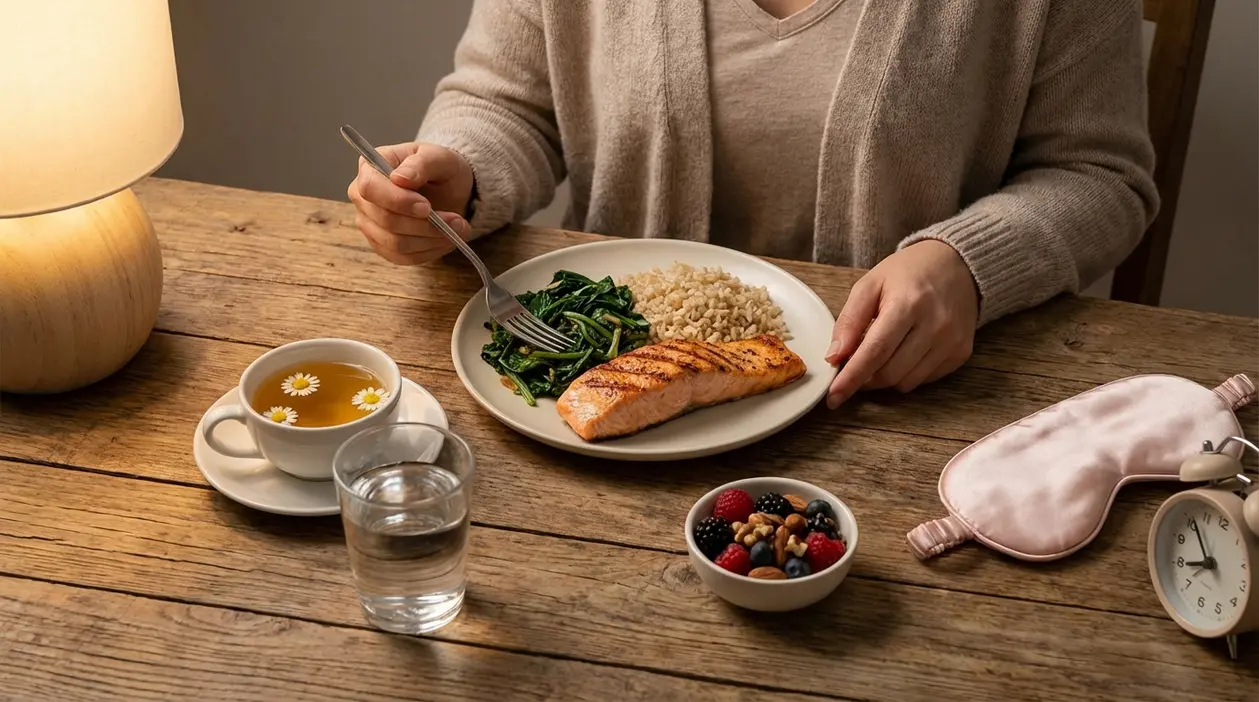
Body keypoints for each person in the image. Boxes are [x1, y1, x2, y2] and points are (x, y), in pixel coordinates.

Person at [346, 0, 1158, 410]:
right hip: (600, 395)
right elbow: (507, 101)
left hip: (897, 404)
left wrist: (969, 264)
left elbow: (1097, 175)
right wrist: (459, 173)